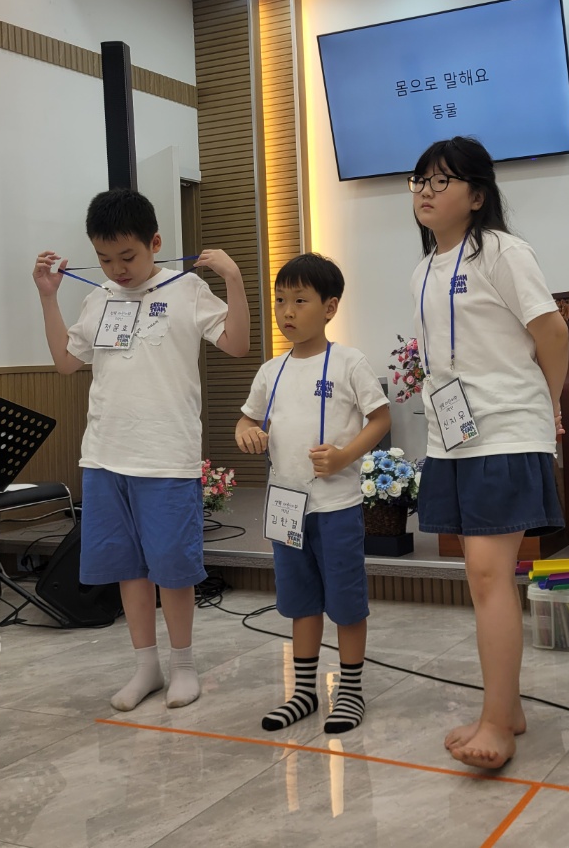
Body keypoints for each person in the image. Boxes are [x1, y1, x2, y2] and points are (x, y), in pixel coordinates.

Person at [33, 188, 250, 712]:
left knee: (172, 568)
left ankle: (184, 666)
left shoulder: (187, 288)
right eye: (106, 258)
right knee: (128, 568)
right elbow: (67, 362)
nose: (118, 269)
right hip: (105, 455)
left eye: (127, 256)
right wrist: (47, 296)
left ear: (155, 243)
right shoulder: (98, 298)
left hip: (166, 455)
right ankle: (145, 666)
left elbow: (238, 344)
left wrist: (235, 280)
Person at [408, 136, 568, 769]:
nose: (425, 190)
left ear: (477, 196)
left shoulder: (502, 251)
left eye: (441, 180)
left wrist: (549, 405)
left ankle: (497, 722)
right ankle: (509, 709)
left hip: (505, 431)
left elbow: (552, 331)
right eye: (420, 180)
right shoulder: (423, 269)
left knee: (486, 574)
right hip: (452, 439)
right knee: (480, 577)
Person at [236, 253, 390, 734]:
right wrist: (246, 431)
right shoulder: (271, 371)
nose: (287, 311)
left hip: (336, 508)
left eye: (300, 300)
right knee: (300, 601)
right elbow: (247, 418)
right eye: (280, 300)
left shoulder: (348, 362)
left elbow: (381, 418)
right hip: (286, 508)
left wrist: (344, 457)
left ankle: (350, 692)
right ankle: (304, 692)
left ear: (330, 307)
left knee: (346, 602)